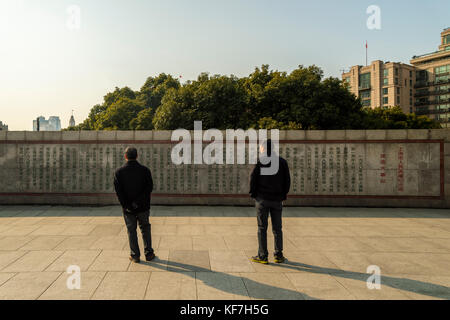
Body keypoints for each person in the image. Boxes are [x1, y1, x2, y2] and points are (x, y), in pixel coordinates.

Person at [249, 139, 291, 264]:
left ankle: (263, 256)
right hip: (277, 200)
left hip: (262, 199)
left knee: (262, 228)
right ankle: (278, 255)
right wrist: (283, 195)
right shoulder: (282, 162)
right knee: (277, 228)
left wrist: (254, 195)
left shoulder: (260, 161)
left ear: (263, 148)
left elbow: (253, 179)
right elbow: (287, 181)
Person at [114, 147, 155, 263]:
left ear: (125, 156)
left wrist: (127, 205)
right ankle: (149, 253)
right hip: (143, 207)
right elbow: (149, 188)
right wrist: (137, 202)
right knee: (145, 228)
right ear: (137, 156)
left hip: (128, 209)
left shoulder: (119, 172)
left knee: (131, 230)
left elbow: (119, 192)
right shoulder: (145, 170)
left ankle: (135, 255)